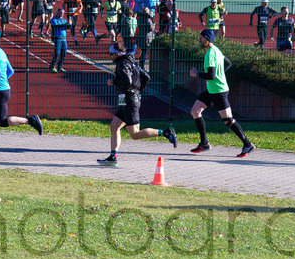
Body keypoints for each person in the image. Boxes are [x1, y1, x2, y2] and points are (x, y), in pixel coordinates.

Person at [98, 35, 177, 166]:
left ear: (117, 54)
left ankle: (165, 132)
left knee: (134, 134)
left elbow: (127, 81)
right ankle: (113, 157)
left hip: (129, 100)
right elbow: (146, 77)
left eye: (111, 54)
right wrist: (139, 91)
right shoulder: (131, 61)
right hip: (127, 99)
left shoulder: (121, 63)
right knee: (114, 126)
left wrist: (114, 81)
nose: (109, 56)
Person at [187, 29, 254, 157]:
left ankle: (247, 144)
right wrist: (220, 74)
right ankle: (204, 143)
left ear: (207, 39)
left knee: (227, 120)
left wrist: (196, 74)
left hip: (219, 91)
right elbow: (228, 63)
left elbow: (211, 75)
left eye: (201, 38)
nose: (199, 40)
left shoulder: (210, 54)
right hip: (212, 89)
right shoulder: (216, 50)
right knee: (195, 111)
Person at [0, 28, 42, 155]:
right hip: (1, 90)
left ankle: (31, 121)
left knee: (2, 121)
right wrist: (1, 82)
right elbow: (10, 71)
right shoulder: (0, 52)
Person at [48, 8, 69, 73]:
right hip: (57, 38)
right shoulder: (54, 19)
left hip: (64, 38)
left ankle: (60, 67)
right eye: (60, 13)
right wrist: (65, 25)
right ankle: (52, 66)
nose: (61, 14)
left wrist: (70, 24)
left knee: (64, 52)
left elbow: (67, 27)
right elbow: (56, 26)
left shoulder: (64, 20)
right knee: (57, 53)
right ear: (57, 12)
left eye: (63, 13)